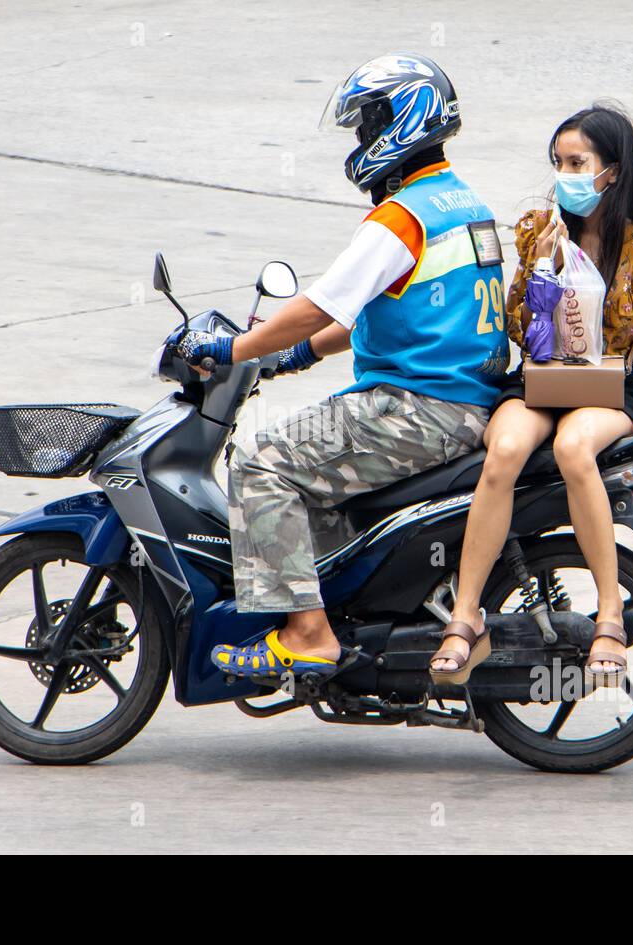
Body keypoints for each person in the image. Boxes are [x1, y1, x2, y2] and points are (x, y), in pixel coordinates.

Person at [173, 52, 511, 679]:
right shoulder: (464, 204)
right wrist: (297, 354)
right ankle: (351, 617)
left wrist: (235, 350)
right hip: (465, 401)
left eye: (367, 124)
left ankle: (307, 632)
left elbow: (317, 304)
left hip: (417, 407)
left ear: (404, 120)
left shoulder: (401, 217)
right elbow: (398, 310)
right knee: (314, 482)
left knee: (263, 460)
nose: (360, 140)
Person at [428, 103, 633, 687]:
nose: (565, 175)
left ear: (613, 170)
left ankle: (607, 617)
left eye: (578, 162)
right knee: (501, 454)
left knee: (576, 450)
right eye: (559, 162)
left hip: (607, 384)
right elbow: (520, 330)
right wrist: (542, 270)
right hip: (545, 376)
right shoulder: (537, 229)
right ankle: (466, 616)